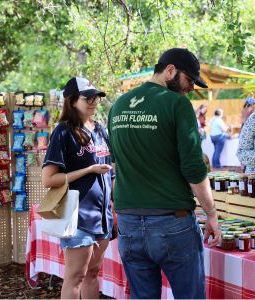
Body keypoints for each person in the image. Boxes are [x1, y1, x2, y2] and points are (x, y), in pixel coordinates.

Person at [107, 48, 221, 299]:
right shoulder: (177, 104)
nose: (191, 88)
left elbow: (116, 167)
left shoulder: (118, 107)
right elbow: (193, 168)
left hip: (128, 223)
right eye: (189, 80)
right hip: (171, 223)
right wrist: (211, 214)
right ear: (170, 70)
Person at [41, 77, 114, 299]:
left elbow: (111, 171)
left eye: (96, 98)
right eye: (87, 98)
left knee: (93, 273)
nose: (93, 102)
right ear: (72, 101)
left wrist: (114, 206)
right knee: (75, 277)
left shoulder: (100, 130)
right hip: (78, 215)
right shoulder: (63, 132)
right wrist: (88, 169)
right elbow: (49, 179)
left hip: (103, 216)